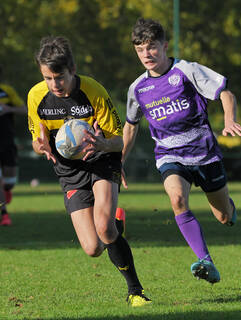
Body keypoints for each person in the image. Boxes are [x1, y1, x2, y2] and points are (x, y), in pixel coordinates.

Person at [27, 36, 151, 307]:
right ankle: (116, 222)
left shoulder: (93, 91)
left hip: (101, 160)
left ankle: (135, 291)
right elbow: (39, 139)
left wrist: (102, 144)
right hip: (69, 170)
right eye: (48, 78)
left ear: (72, 69)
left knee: (104, 229)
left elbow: (119, 140)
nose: (54, 84)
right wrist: (41, 146)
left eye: (59, 77)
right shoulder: (36, 96)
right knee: (93, 248)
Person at [122, 18, 241, 285]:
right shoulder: (137, 89)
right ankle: (206, 261)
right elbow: (130, 127)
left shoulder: (186, 70)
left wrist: (229, 119)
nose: (147, 54)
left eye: (152, 47)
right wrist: (118, 161)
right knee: (177, 199)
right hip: (169, 156)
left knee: (224, 217)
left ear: (165, 45)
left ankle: (229, 209)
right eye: (140, 49)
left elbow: (226, 94)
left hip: (205, 154)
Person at [0, 66, 27, 225]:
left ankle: (7, 190)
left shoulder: (6, 91)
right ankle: (4, 214)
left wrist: (7, 109)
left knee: (9, 177)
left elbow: (24, 109)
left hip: (7, 140)